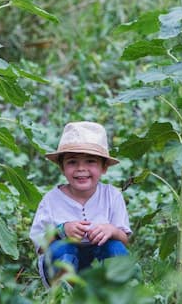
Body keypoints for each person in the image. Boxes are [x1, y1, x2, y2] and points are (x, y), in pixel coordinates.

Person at [29, 121, 132, 287]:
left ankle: (114, 290)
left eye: (90, 161)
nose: (81, 168)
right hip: (63, 265)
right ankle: (65, 292)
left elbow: (124, 240)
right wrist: (61, 231)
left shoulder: (112, 196)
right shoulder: (51, 200)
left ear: (104, 167)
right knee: (62, 249)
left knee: (114, 247)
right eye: (72, 162)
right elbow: (40, 246)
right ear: (62, 167)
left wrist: (111, 230)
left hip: (98, 260)